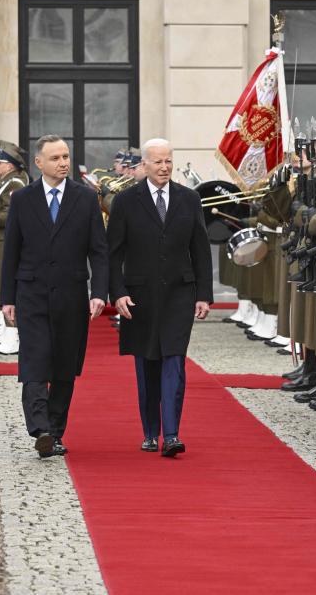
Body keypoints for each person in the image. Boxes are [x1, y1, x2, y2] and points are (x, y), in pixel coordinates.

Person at [0, 135, 108, 458]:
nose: (63, 163)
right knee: (34, 362)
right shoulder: (22, 199)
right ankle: (41, 428)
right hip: (31, 293)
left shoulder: (86, 199)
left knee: (63, 365)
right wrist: (7, 299)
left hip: (72, 296)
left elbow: (98, 252)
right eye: (56, 158)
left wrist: (99, 292)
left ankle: (56, 432)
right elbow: (11, 253)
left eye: (66, 156)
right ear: (39, 163)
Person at [107, 138, 213, 457]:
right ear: (145, 165)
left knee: (174, 361)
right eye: (158, 162)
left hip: (180, 293)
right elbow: (113, 254)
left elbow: (201, 251)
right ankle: (150, 432)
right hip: (139, 296)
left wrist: (204, 295)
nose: (164, 167)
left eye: (168, 161)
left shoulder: (189, 198)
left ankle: (171, 434)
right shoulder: (126, 201)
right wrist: (118, 294)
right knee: (147, 364)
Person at [0, 141, 30, 356]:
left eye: (0, 163)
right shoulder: (5, 180)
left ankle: (13, 337)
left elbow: (10, 216)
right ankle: (5, 333)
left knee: (5, 291)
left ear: (10, 165)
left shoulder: (15, 184)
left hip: (4, 240)